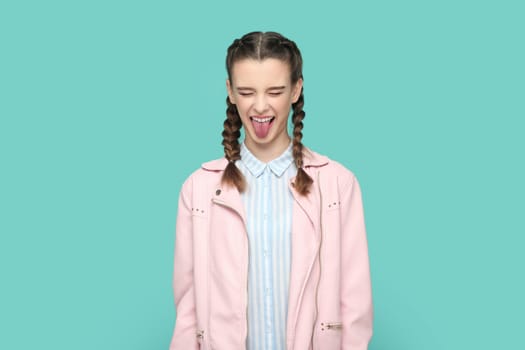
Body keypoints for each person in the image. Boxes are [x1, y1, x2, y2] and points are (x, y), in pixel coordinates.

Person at [169, 31, 373, 350]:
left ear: (296, 89)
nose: (260, 106)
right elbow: (187, 313)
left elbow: (355, 311)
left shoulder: (338, 184)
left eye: (275, 91)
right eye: (247, 91)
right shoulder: (198, 189)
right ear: (230, 92)